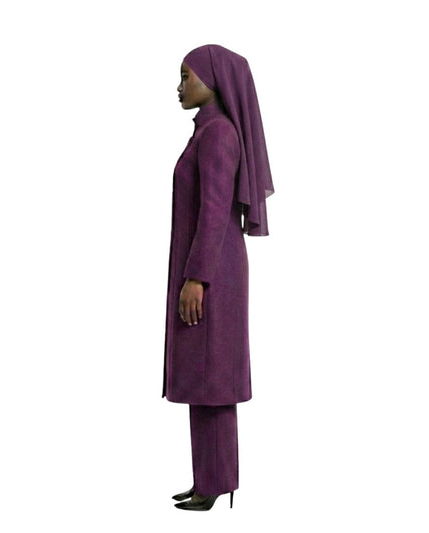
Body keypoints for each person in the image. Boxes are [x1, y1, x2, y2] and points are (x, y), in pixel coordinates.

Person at [162, 44, 274, 511]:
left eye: (186, 76)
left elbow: (213, 213)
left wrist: (196, 279)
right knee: (203, 376)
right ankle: (207, 479)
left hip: (212, 273)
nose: (179, 86)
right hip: (208, 268)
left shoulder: (219, 135)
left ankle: (215, 483)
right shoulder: (207, 132)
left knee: (213, 379)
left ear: (212, 79)